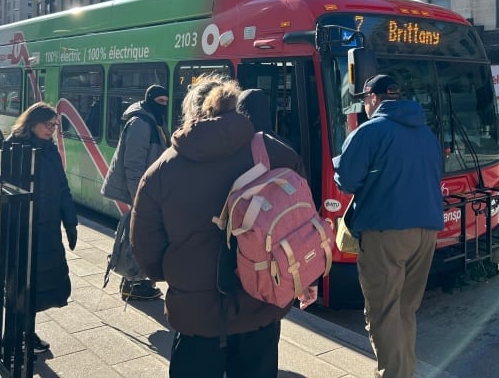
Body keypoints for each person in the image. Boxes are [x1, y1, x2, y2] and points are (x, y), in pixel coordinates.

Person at [130, 74, 316, 377]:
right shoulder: (276, 152)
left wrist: (181, 274)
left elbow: (146, 249)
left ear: (191, 111)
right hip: (261, 304)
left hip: (197, 315)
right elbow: (301, 219)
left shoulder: (162, 170)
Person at [332, 74, 443, 378]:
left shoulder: (369, 132)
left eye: (364, 99)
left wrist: (341, 161)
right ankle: (404, 371)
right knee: (405, 310)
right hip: (428, 231)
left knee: (383, 313)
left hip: (386, 231)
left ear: (373, 98)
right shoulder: (426, 133)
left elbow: (347, 181)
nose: (365, 105)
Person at [4, 102, 79, 354]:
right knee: (18, 286)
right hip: (19, 231)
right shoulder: (11, 147)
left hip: (46, 231)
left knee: (36, 287)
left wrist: (70, 222)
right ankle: (11, 338)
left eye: (55, 125)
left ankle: (26, 334)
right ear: (32, 122)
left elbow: (62, 188)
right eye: (48, 124)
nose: (52, 130)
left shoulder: (50, 151)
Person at [101, 84, 170, 300]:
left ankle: (137, 280)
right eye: (160, 102)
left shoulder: (153, 120)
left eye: (166, 102)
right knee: (138, 235)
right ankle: (132, 282)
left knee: (143, 235)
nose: (164, 106)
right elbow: (133, 165)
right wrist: (139, 197)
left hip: (149, 189)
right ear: (150, 100)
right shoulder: (141, 123)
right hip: (141, 190)